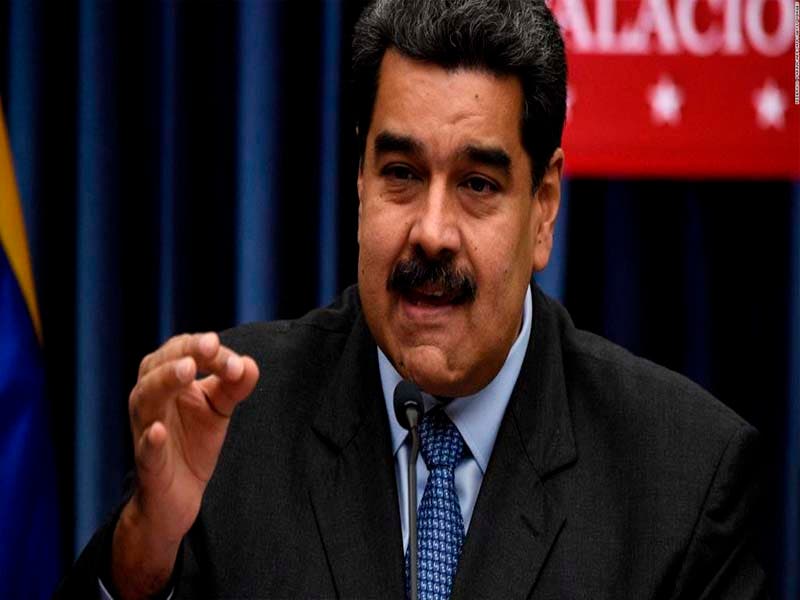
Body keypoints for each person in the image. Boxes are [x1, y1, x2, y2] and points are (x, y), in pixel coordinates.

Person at [57, 0, 766, 598]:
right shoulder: (230, 423)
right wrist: (147, 546)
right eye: (401, 173)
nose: (431, 232)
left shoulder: (682, 477)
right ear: (361, 181)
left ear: (544, 208)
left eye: (478, 184)